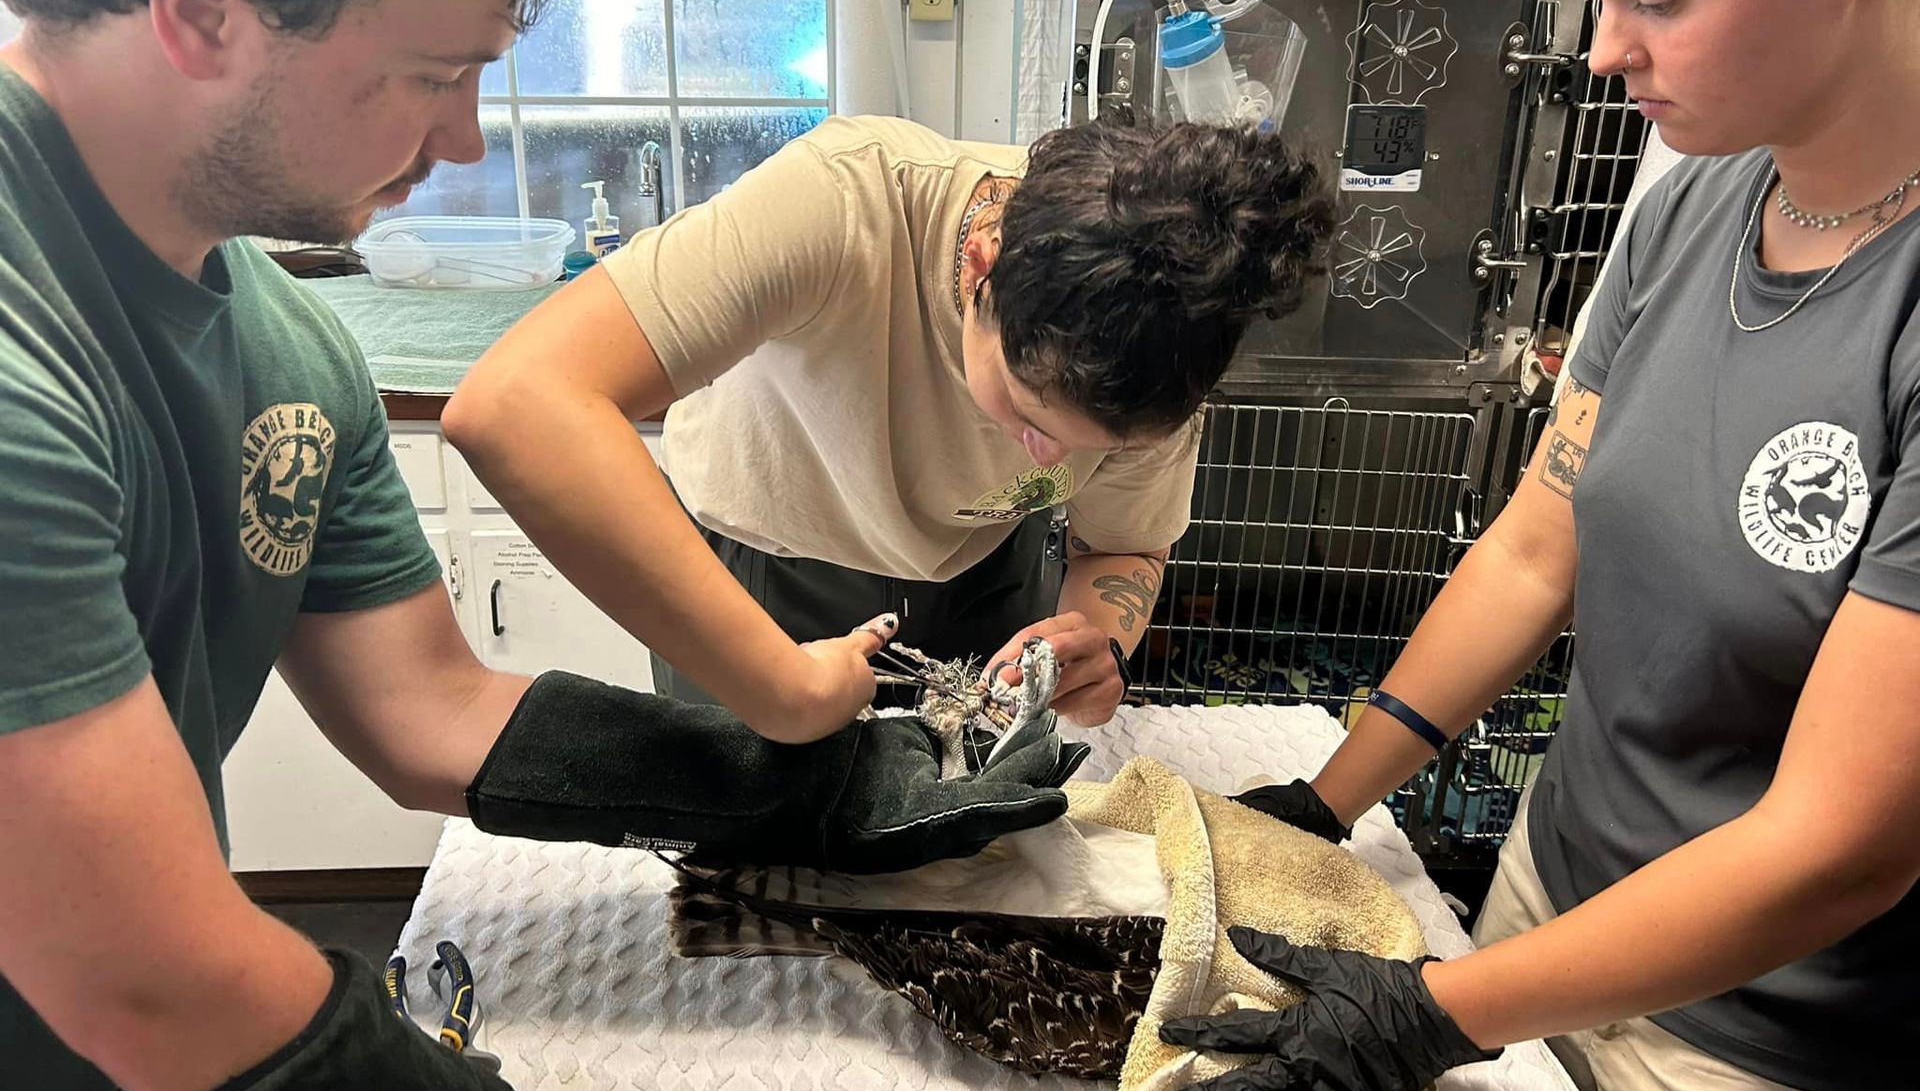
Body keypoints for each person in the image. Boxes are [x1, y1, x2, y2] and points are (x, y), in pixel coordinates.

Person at [0, 0, 1078, 1091]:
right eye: (434, 73)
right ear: (205, 12)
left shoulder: (286, 351)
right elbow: (152, 975)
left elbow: (427, 709)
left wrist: (793, 786)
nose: (459, 137)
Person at [1161, 0, 1920, 1091]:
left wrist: (1429, 1019)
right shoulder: (1699, 197)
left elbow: (1843, 845)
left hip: (1756, 1055)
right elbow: (1535, 545)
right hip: (1541, 919)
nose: (1607, 54)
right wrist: (1332, 803)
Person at [445, 114, 1333, 735]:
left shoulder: (1176, 328)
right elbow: (516, 403)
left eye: (1095, 450)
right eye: (1028, 414)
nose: (1050, 462)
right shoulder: (842, 202)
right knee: (752, 882)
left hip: (987, 582)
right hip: (759, 575)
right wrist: (779, 684)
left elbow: (1119, 548)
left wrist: (1096, 637)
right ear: (982, 269)